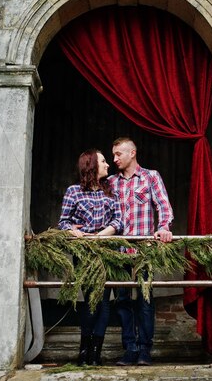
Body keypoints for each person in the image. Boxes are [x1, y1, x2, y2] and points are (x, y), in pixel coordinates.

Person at [108, 137, 174, 366]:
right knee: (123, 299)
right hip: (118, 251)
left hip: (144, 251)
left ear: (132, 153)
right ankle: (130, 348)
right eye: (113, 154)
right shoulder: (111, 183)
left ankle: (145, 349)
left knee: (145, 299)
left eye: (118, 154)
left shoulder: (150, 176)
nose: (114, 159)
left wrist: (164, 227)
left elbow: (163, 205)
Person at [58, 149, 122, 366]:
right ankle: (84, 349)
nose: (108, 165)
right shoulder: (74, 191)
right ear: (92, 165)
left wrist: (98, 236)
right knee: (90, 301)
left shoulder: (111, 192)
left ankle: (95, 353)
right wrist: (74, 232)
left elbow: (118, 221)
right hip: (84, 255)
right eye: (103, 161)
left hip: (106, 252)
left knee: (104, 302)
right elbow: (64, 222)